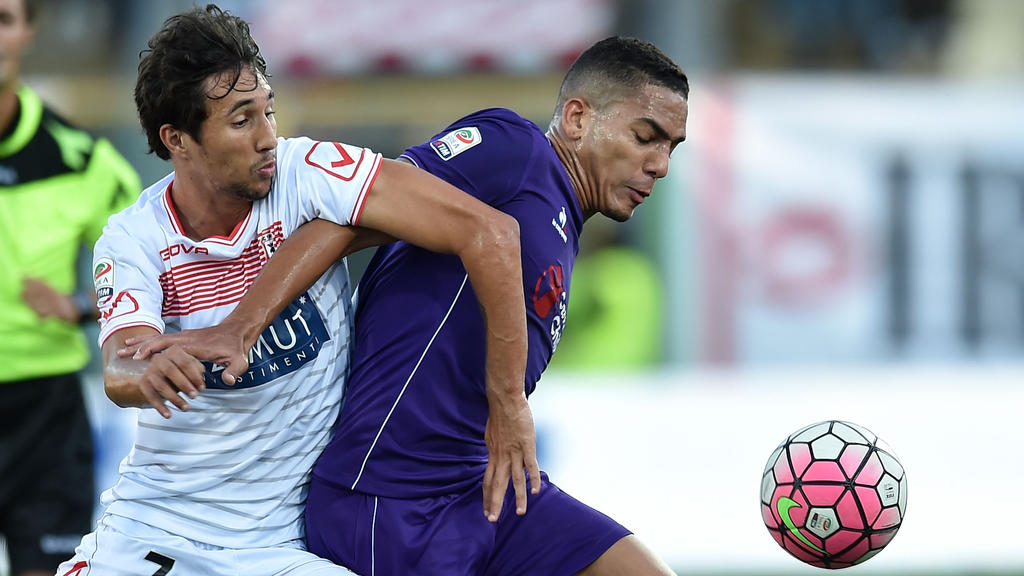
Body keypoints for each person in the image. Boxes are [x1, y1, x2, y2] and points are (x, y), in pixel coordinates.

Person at [132, 36, 689, 575]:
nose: (660, 164)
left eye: (670, 147)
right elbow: (353, 214)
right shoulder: (514, 150)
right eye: (647, 137)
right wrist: (242, 326)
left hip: (483, 484)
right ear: (576, 119)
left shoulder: (563, 222)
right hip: (391, 502)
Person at [55, 4, 531, 576]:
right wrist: (148, 373)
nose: (267, 138)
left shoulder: (309, 175)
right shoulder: (135, 236)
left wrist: (508, 402)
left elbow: (491, 231)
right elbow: (119, 367)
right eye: (240, 120)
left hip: (279, 547)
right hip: (158, 528)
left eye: (268, 111)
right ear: (177, 139)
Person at [0, 0, 141, 574]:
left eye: (3, 19)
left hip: (46, 414)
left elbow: (159, 263)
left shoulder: (83, 160)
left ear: (29, 31)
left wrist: (81, 305)